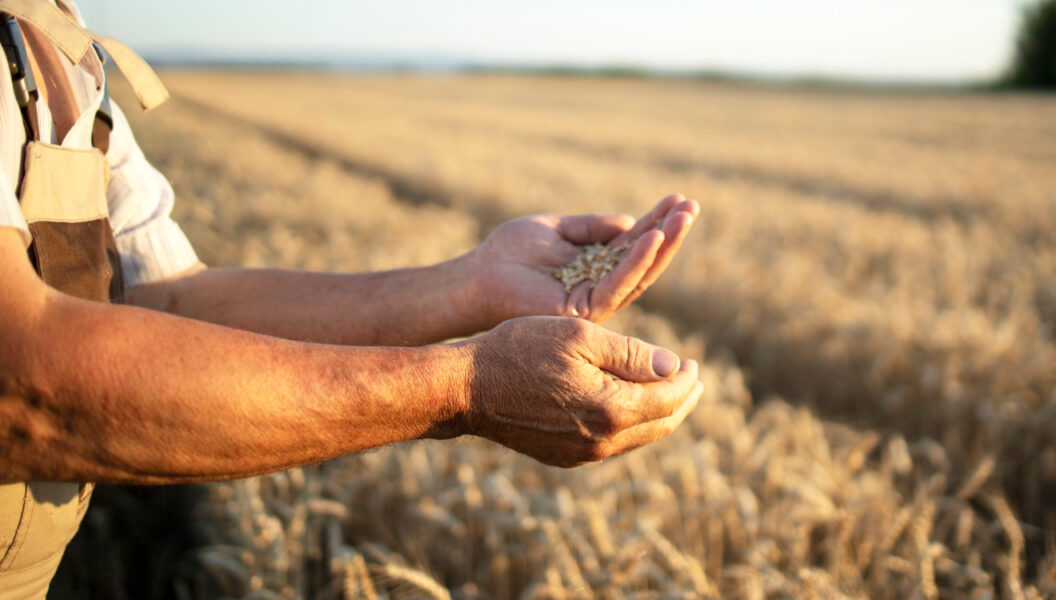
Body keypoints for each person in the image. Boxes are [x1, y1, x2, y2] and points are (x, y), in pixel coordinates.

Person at [0, 0, 702, 596]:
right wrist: (467, 387)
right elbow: (22, 381)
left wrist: (470, 283)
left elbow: (163, 300)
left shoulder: (53, 35)